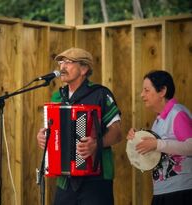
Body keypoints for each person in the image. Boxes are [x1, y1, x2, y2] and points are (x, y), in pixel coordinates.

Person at [36, 47, 122, 205]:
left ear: (84, 68)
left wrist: (96, 144)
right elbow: (53, 133)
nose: (62, 66)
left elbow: (117, 133)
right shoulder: (57, 97)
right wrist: (43, 137)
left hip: (96, 179)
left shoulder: (101, 94)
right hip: (65, 180)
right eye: (61, 62)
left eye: (68, 62)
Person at [127, 70, 192, 205]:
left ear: (162, 91)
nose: (142, 95)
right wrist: (137, 139)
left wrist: (157, 144)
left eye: (146, 90)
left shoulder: (177, 113)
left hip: (181, 191)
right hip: (162, 191)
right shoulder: (158, 122)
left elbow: (190, 146)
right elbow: (157, 153)